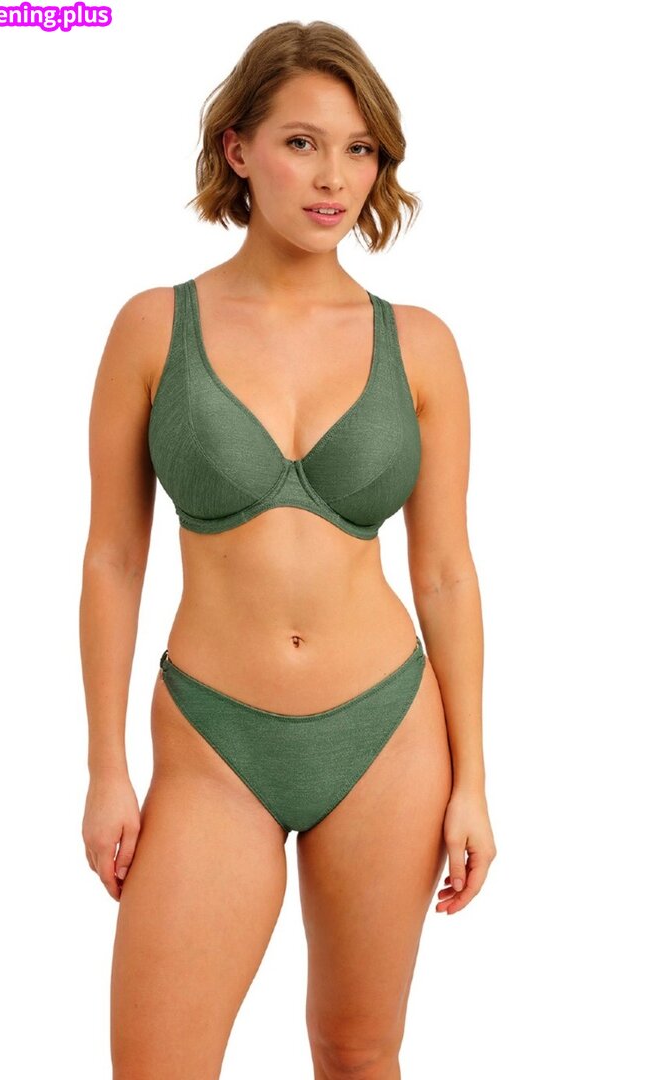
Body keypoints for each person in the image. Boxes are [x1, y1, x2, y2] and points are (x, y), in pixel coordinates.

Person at [80, 19, 496, 1080]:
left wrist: (473, 781)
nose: (333, 178)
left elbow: (446, 571)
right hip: (212, 741)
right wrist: (106, 768)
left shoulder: (421, 346)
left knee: (357, 1054)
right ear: (237, 149)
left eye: (359, 149)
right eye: (301, 143)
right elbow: (113, 558)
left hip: (388, 733)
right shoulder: (153, 329)